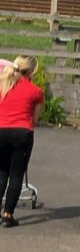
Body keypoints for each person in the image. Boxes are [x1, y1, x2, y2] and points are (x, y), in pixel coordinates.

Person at [0, 56, 44, 227]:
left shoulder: (3, 85)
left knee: (1, 172)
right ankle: (8, 214)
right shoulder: (36, 91)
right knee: (16, 175)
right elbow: (35, 120)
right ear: (31, 72)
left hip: (1, 130)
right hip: (21, 133)